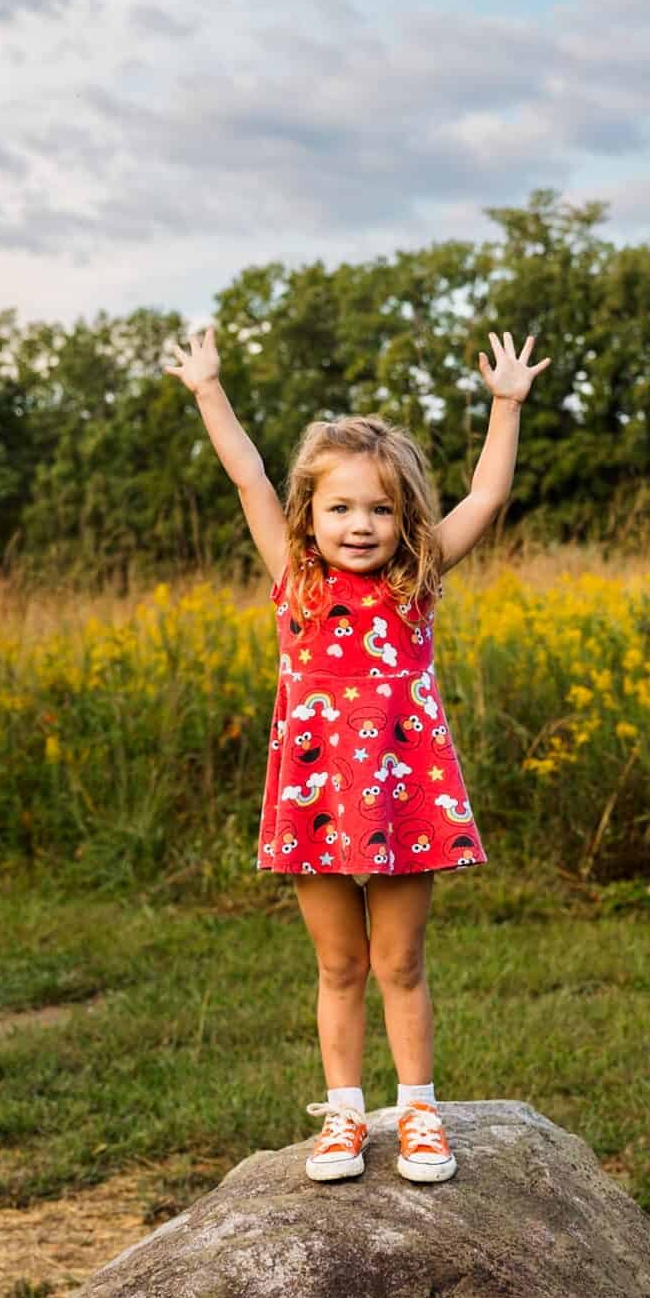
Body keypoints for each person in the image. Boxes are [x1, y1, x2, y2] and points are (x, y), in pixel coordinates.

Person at [165, 323, 549, 1186]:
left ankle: (418, 1112)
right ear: (310, 515)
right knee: (339, 963)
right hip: (317, 795)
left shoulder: (420, 576)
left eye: (380, 508)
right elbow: (248, 474)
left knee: (400, 962)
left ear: (405, 516)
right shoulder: (294, 575)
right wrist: (207, 390)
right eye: (340, 507)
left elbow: (485, 500)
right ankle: (344, 1117)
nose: (362, 525)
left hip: (407, 794)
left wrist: (505, 404)